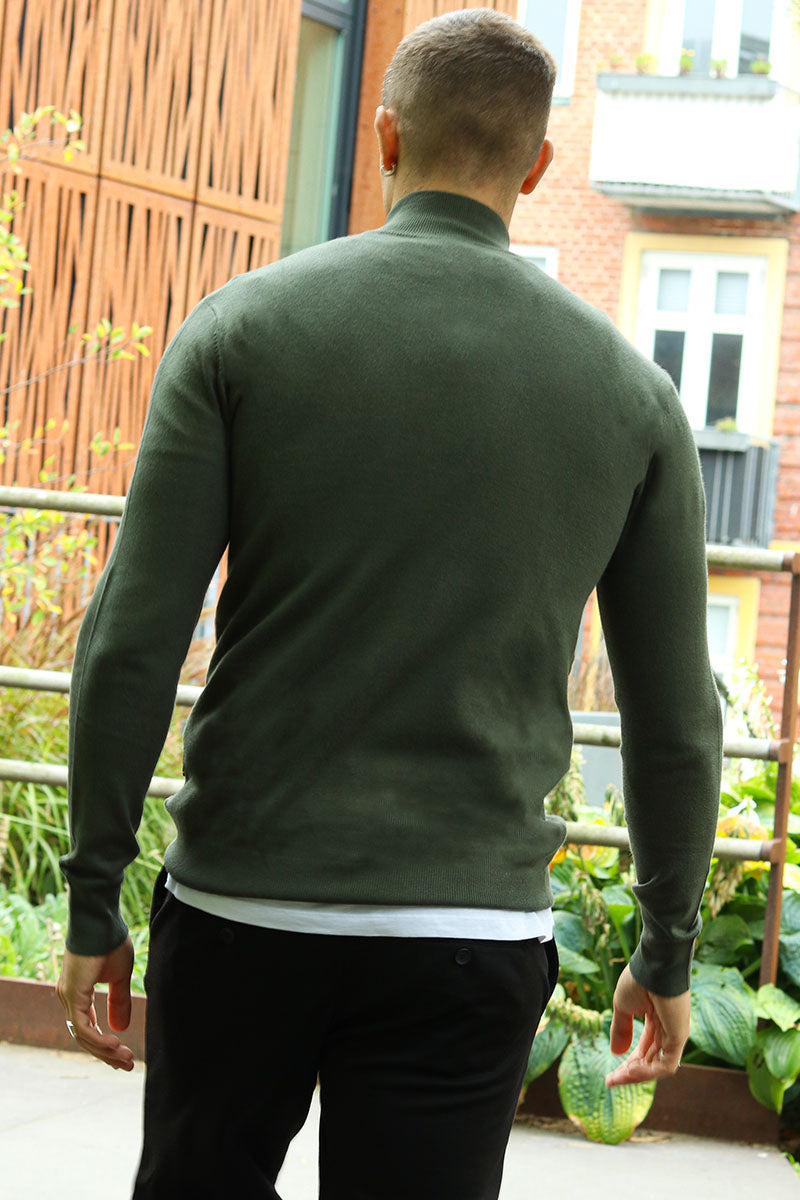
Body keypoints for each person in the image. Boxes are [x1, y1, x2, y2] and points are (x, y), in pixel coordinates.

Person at [56, 8, 722, 1198]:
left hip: (242, 910)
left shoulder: (239, 330)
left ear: (383, 137)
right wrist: (664, 949)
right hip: (467, 938)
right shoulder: (633, 396)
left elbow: (128, 644)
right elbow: (674, 721)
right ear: (536, 166)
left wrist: (92, 896)